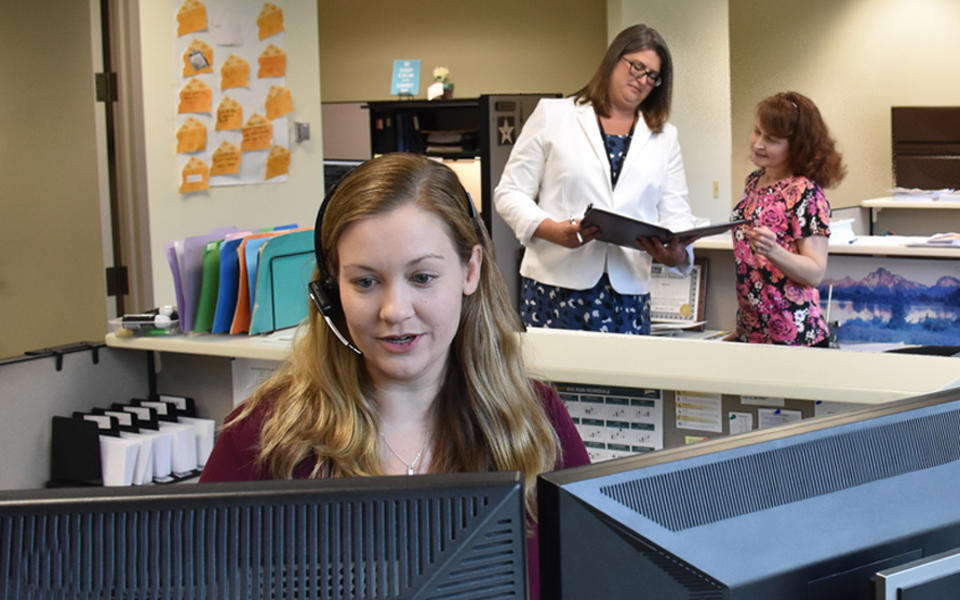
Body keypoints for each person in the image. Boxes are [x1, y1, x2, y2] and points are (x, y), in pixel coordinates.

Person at [199, 152, 590, 600]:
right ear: (330, 293)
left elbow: (595, 577)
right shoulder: (264, 435)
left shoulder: (536, 421)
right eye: (365, 282)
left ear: (470, 270)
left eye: (422, 277)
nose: (394, 311)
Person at [494, 24, 697, 335]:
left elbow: (677, 215)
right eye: (637, 67)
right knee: (553, 382)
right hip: (556, 287)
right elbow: (509, 193)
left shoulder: (665, 137)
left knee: (624, 382)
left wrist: (677, 254)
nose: (641, 80)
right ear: (614, 59)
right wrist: (552, 230)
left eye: (652, 76)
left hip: (627, 295)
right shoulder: (554, 115)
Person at [728, 91, 846, 346]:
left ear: (796, 145)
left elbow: (814, 272)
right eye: (757, 132)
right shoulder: (754, 182)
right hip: (753, 334)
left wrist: (774, 251)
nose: (758, 144)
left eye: (771, 139)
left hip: (796, 337)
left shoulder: (806, 192)